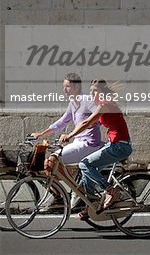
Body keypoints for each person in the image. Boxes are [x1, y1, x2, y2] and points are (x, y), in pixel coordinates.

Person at [60, 79, 132, 219]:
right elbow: (90, 123)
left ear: (102, 92)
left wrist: (70, 135)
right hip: (114, 144)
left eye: (95, 91)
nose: (92, 93)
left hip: (119, 146)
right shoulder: (102, 105)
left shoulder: (105, 105)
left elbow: (87, 122)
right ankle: (90, 206)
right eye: (91, 90)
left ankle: (110, 190)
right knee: (89, 172)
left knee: (84, 164)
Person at [31, 73, 104, 209]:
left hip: (89, 143)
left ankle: (77, 192)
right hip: (78, 142)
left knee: (53, 160)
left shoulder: (87, 100)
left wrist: (91, 124)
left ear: (76, 87)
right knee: (48, 164)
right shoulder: (73, 102)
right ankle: (60, 195)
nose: (64, 90)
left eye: (67, 87)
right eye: (64, 87)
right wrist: (41, 134)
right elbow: (62, 122)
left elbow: (99, 116)